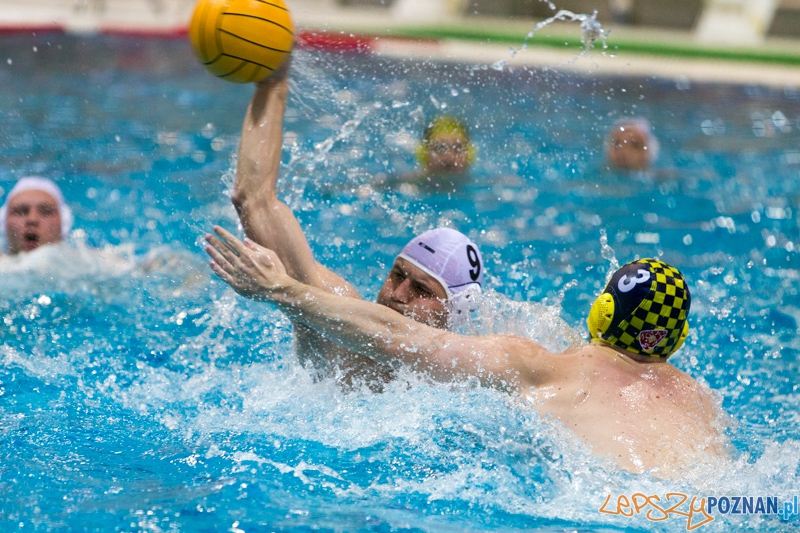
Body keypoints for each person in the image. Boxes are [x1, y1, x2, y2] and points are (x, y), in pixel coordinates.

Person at [204, 233, 725, 476]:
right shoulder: (701, 401)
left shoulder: (545, 365)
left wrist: (279, 289)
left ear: (603, 311)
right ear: (676, 339)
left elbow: (398, 339)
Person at [228, 63, 484, 387]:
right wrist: (273, 83)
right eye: (397, 275)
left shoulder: (470, 378)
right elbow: (254, 200)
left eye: (421, 289)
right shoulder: (332, 322)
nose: (397, 295)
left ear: (454, 311)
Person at [386, 115, 475, 194]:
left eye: (458, 148)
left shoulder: (480, 185)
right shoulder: (401, 184)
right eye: (440, 148)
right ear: (423, 153)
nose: (449, 157)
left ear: (470, 154)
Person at [0, 176, 73, 255]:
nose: (32, 219)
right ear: (4, 222)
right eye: (20, 212)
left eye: (46, 212)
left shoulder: (84, 261)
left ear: (64, 223)